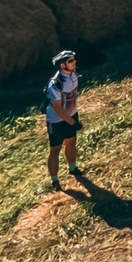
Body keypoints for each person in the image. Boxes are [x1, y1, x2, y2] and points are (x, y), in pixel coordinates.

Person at [44, 49, 81, 190]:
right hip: (56, 121)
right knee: (55, 149)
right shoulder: (55, 83)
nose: (74, 62)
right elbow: (58, 108)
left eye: (74, 59)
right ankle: (55, 181)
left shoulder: (74, 75)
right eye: (70, 61)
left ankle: (73, 168)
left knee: (71, 142)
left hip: (71, 115)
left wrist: (73, 118)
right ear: (62, 65)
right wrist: (73, 122)